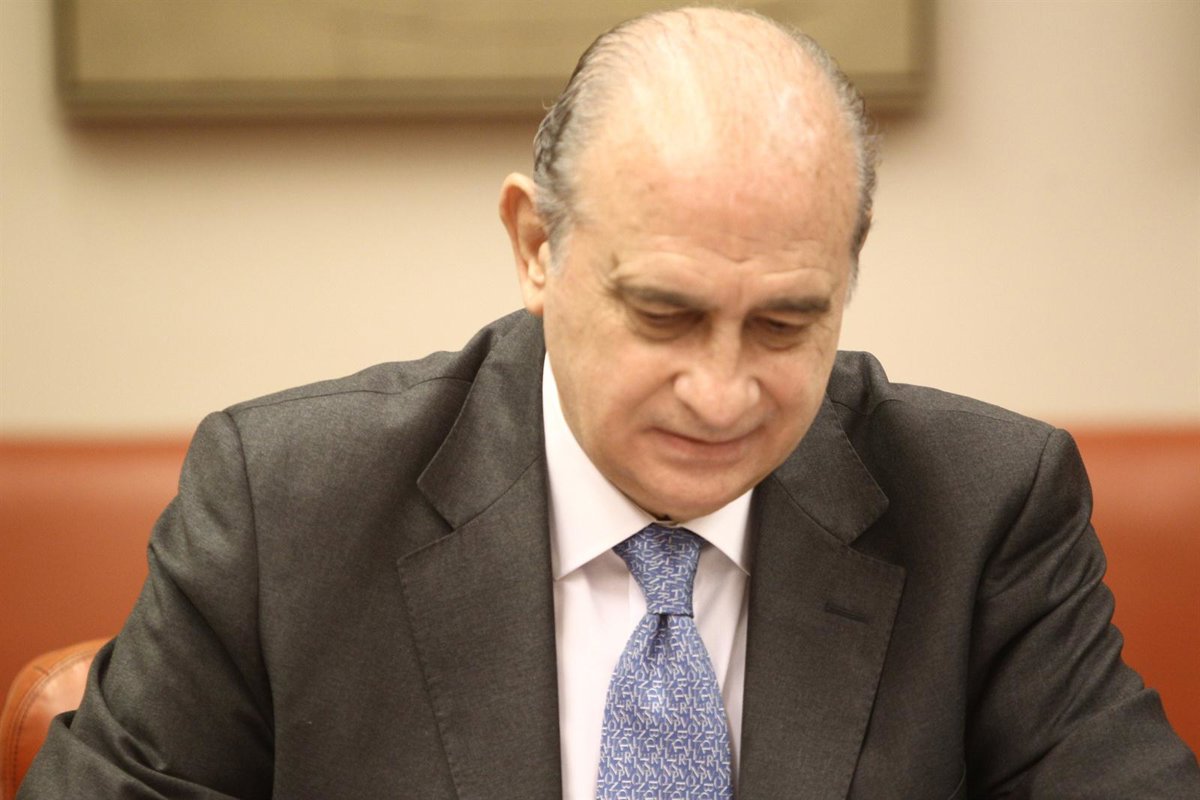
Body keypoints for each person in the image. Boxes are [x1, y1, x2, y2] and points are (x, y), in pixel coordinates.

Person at [20, 7, 1199, 799]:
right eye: (665, 313)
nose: (722, 391)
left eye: (786, 323)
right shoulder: (286, 506)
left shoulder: (986, 512)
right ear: (537, 244)